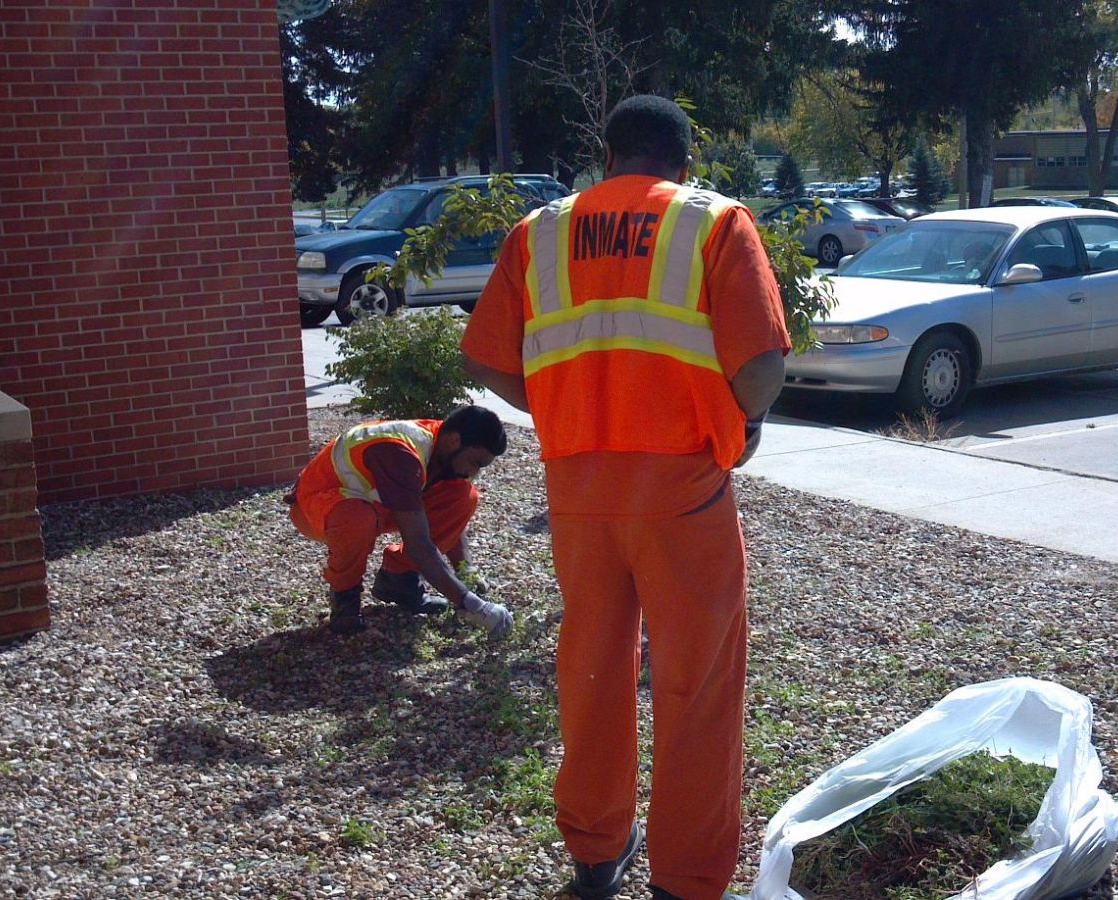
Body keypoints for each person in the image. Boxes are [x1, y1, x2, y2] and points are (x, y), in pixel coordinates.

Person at [461, 95, 789, 900]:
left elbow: (487, 361)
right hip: (680, 490)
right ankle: (684, 879)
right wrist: (741, 424)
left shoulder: (538, 232)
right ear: (683, 164)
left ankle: (596, 853)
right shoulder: (713, 223)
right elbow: (762, 367)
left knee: (592, 669)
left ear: (606, 158)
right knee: (697, 683)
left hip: (578, 488)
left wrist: (567, 405)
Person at [287, 405, 514, 640]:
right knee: (358, 519)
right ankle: (345, 599)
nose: (473, 472)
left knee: (463, 495)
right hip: (315, 506)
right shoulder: (400, 454)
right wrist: (472, 604)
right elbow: (419, 544)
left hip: (375, 502)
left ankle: (398, 580)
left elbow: (451, 520)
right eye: (476, 462)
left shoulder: (441, 441)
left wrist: (466, 571)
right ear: (455, 441)